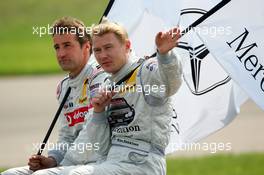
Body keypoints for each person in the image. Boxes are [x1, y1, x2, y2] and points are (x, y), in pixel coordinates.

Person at [60, 18, 182, 175]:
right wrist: (98, 112)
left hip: (143, 164)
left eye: (108, 47)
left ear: (127, 46)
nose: (103, 55)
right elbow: (101, 148)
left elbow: (171, 84)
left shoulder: (145, 70)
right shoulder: (106, 86)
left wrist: (165, 55)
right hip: (111, 162)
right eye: (97, 50)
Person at [2, 17, 110, 175]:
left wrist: (58, 163)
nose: (61, 53)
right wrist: (53, 158)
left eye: (67, 45)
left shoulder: (100, 77)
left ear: (87, 46)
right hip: (72, 163)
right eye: (57, 47)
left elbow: (91, 133)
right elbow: (66, 136)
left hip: (98, 163)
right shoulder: (63, 87)